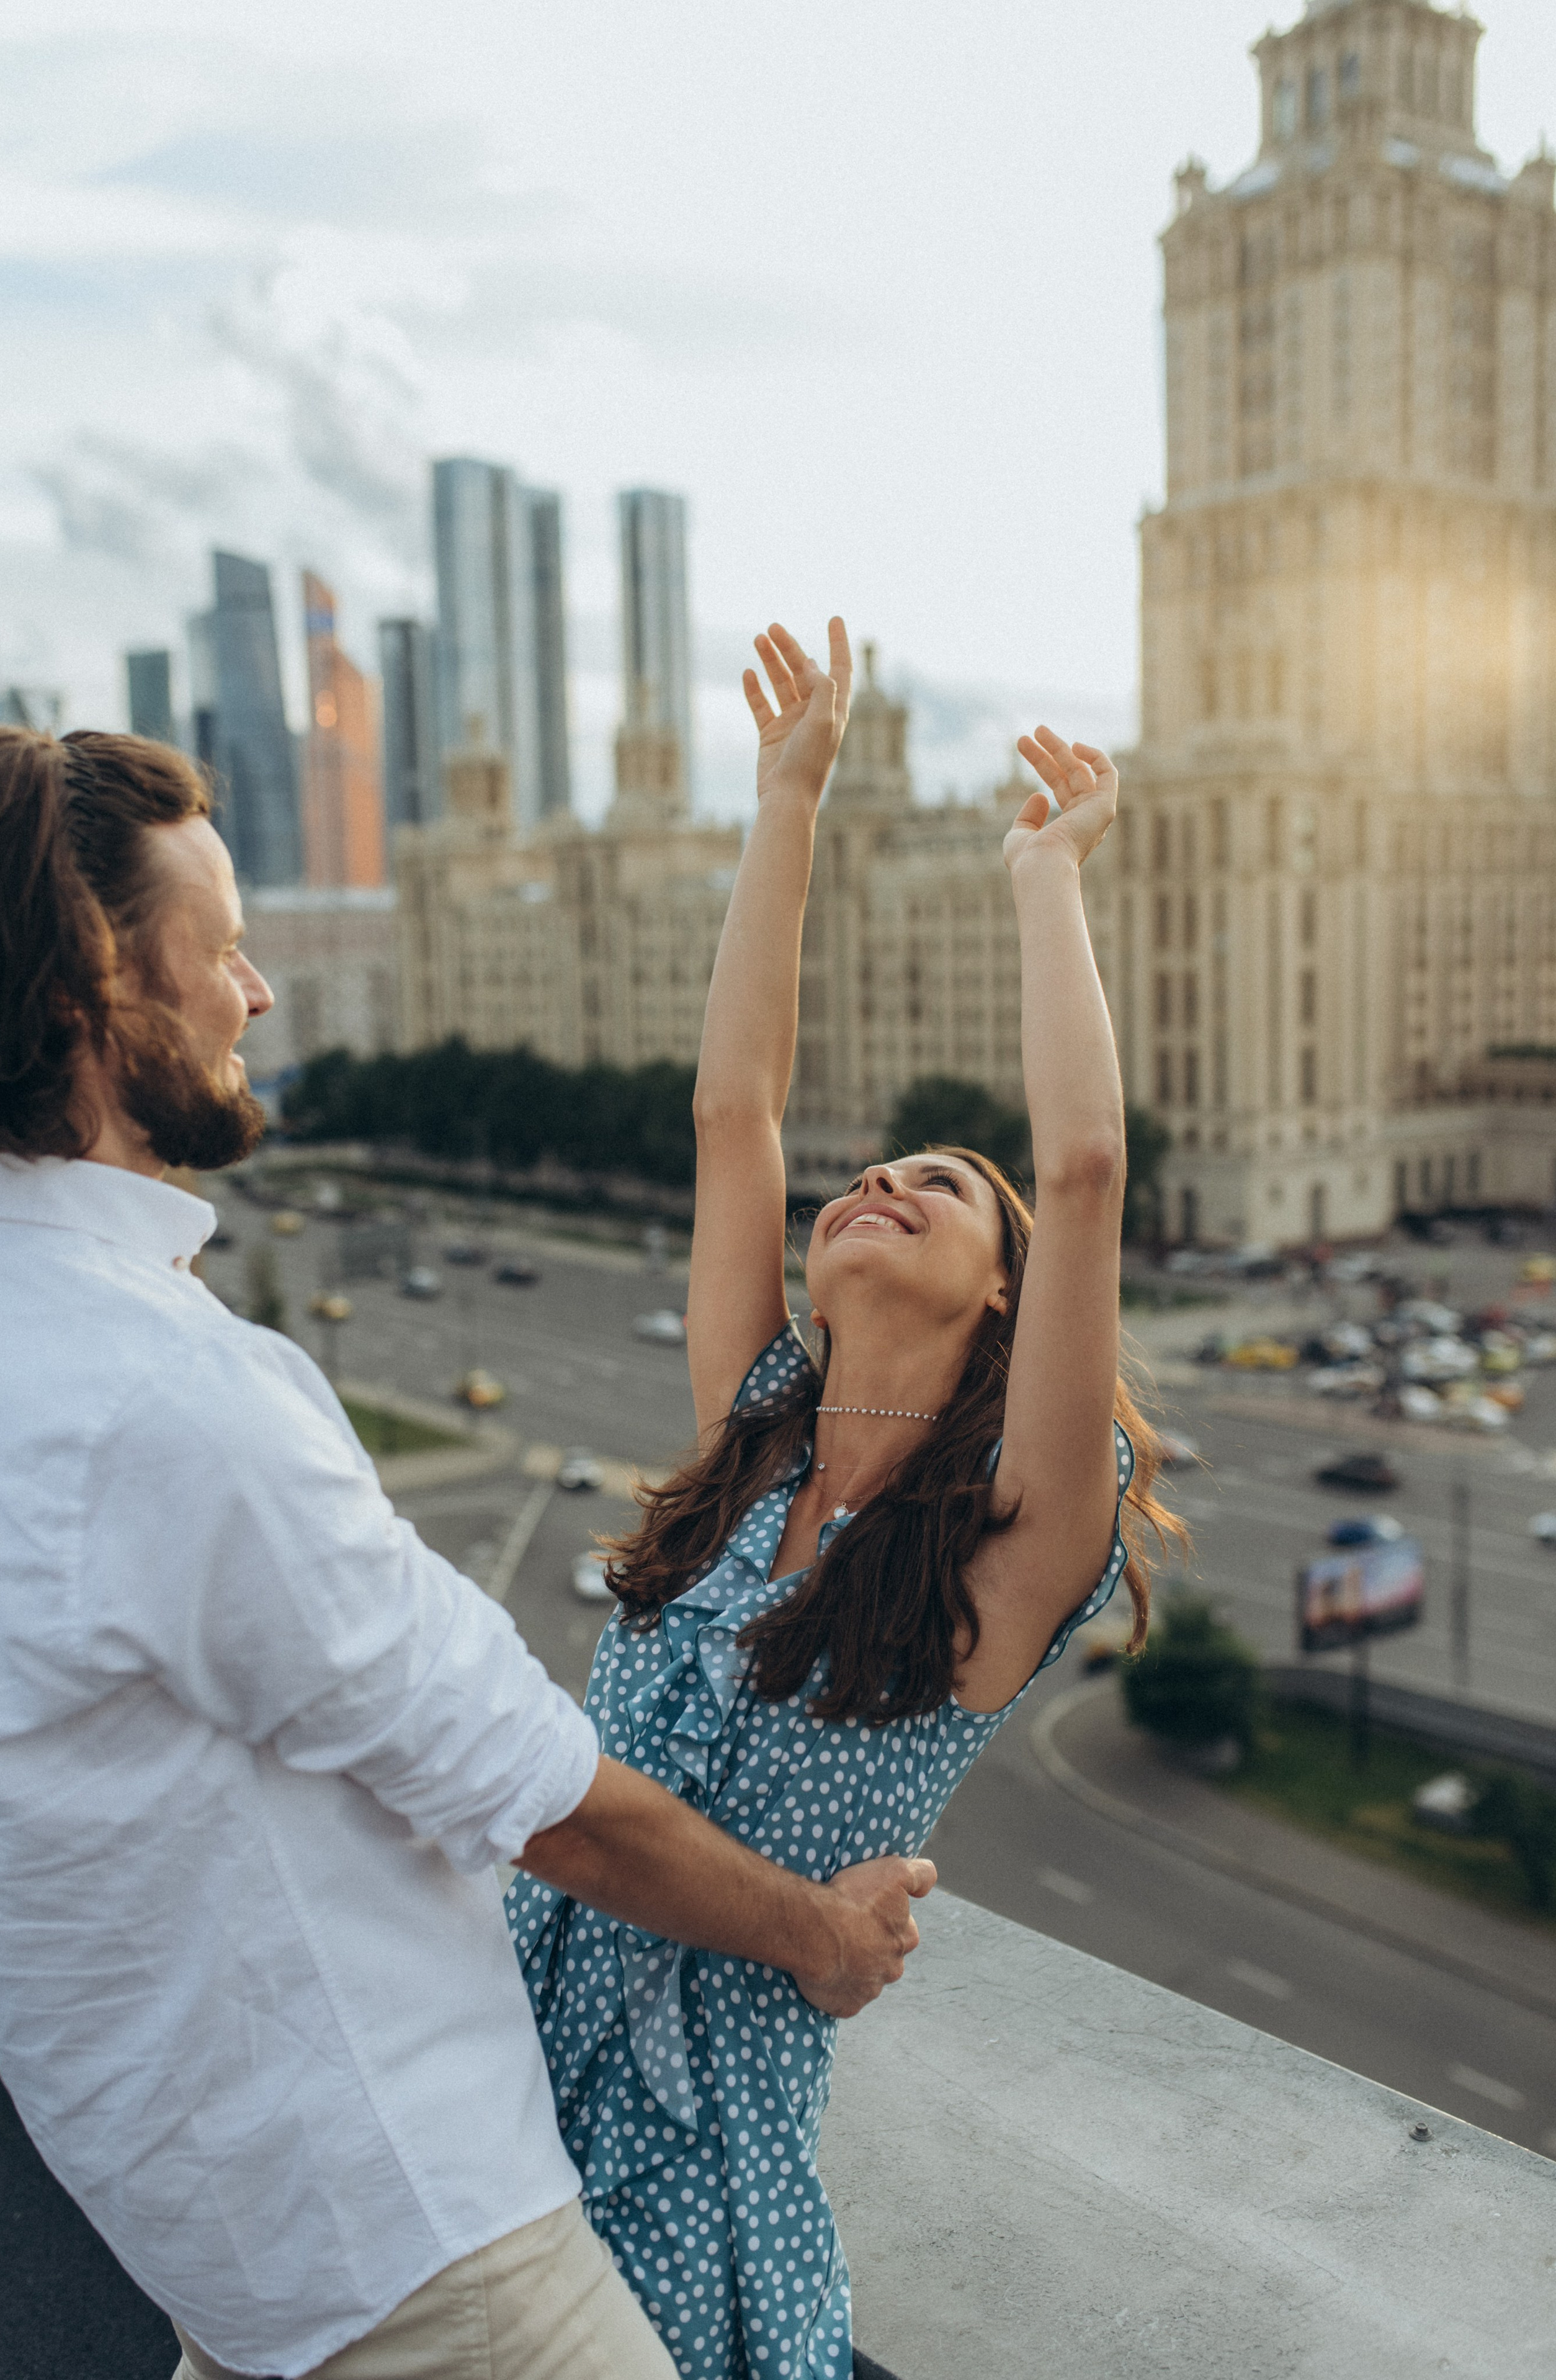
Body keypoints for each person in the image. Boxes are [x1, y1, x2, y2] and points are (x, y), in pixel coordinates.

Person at [0, 725, 935, 2380]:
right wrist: (824, 1939)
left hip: (191, 2216)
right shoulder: (173, 1395)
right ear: (90, 994)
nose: (258, 993)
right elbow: (536, 1791)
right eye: (222, 949)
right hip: (409, 2247)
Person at [507, 621, 1179, 2380]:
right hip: (487, 2069)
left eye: (941, 1182)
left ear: (1006, 1296)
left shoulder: (1013, 1545)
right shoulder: (755, 1436)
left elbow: (1088, 1166)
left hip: (683, 2180)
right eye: (869, 1171)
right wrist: (786, 800)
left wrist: (1045, 874)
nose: (875, 1175)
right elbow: (739, 1107)